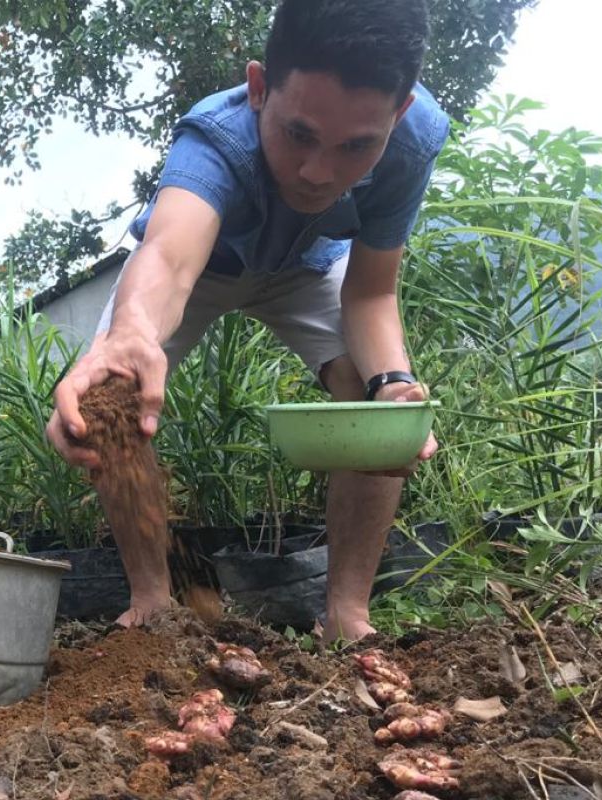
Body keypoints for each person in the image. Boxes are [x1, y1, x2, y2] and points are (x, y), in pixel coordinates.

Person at [45, 0, 448, 642]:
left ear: (396, 116)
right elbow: (171, 260)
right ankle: (153, 605)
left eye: (356, 147)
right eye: (300, 135)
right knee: (113, 388)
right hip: (208, 265)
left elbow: (371, 295)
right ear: (259, 89)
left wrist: (391, 386)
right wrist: (128, 337)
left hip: (311, 269)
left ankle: (347, 616)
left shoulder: (412, 142)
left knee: (376, 409)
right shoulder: (216, 137)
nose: (320, 173)